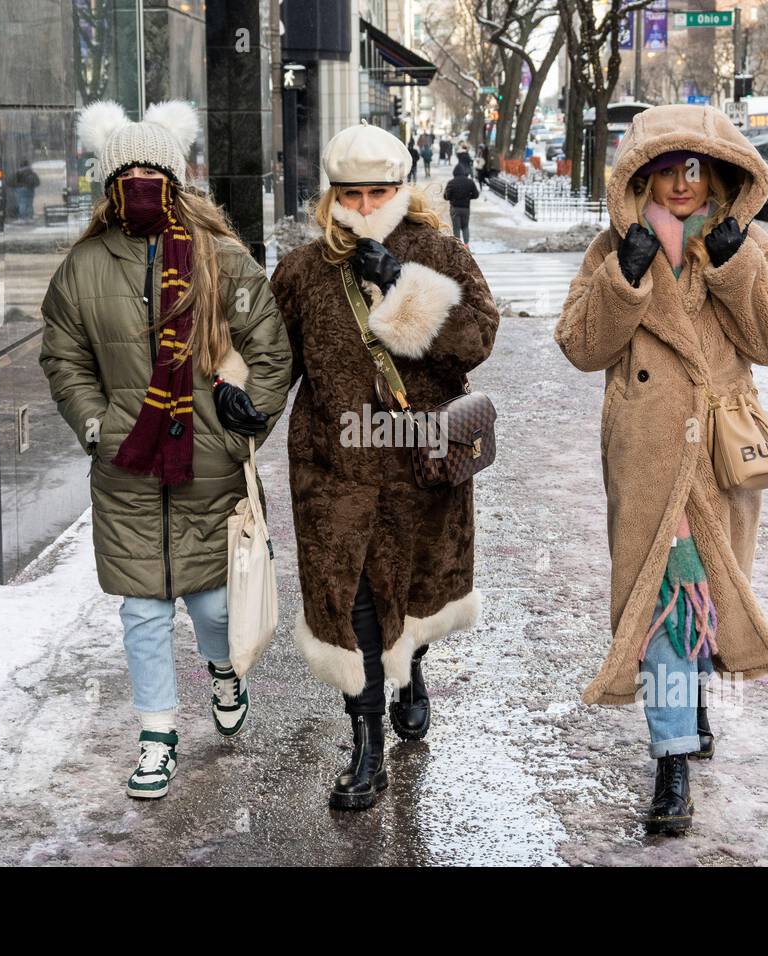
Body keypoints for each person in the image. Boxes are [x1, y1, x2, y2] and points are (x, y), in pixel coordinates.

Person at [554, 104, 768, 836]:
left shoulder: (746, 244)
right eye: (665, 169)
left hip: (719, 462)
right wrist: (624, 278)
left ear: (719, 173)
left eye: (694, 168)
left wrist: (735, 268)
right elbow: (579, 346)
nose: (681, 184)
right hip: (648, 458)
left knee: (702, 599)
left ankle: (688, 698)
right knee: (664, 606)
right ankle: (671, 759)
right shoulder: (612, 248)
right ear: (643, 176)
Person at [40, 99, 292, 800]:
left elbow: (270, 348)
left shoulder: (223, 259)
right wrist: (96, 422)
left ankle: (222, 666)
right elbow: (63, 356)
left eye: (156, 170)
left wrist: (245, 423)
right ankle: (156, 734)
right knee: (143, 610)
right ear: (108, 182)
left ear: (176, 178)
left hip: (208, 467)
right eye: (129, 172)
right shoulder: (84, 265)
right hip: (126, 469)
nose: (142, 182)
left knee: (212, 603)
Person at [269, 119, 500, 812]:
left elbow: (476, 340)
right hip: (334, 471)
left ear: (403, 188)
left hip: (420, 469)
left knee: (417, 594)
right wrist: (234, 415)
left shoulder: (441, 255)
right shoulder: (306, 270)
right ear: (332, 196)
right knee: (356, 609)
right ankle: (366, 745)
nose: (365, 207)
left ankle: (414, 673)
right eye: (352, 194)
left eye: (379, 193)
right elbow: (270, 362)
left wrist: (404, 287)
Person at [443, 161, 480, 247]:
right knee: (465, 226)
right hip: (466, 208)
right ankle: (466, 244)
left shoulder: (451, 182)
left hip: (454, 208)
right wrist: (468, 197)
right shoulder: (470, 182)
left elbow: (446, 196)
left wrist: (452, 197)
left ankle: (458, 245)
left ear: (454, 173)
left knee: (456, 228)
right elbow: (476, 195)